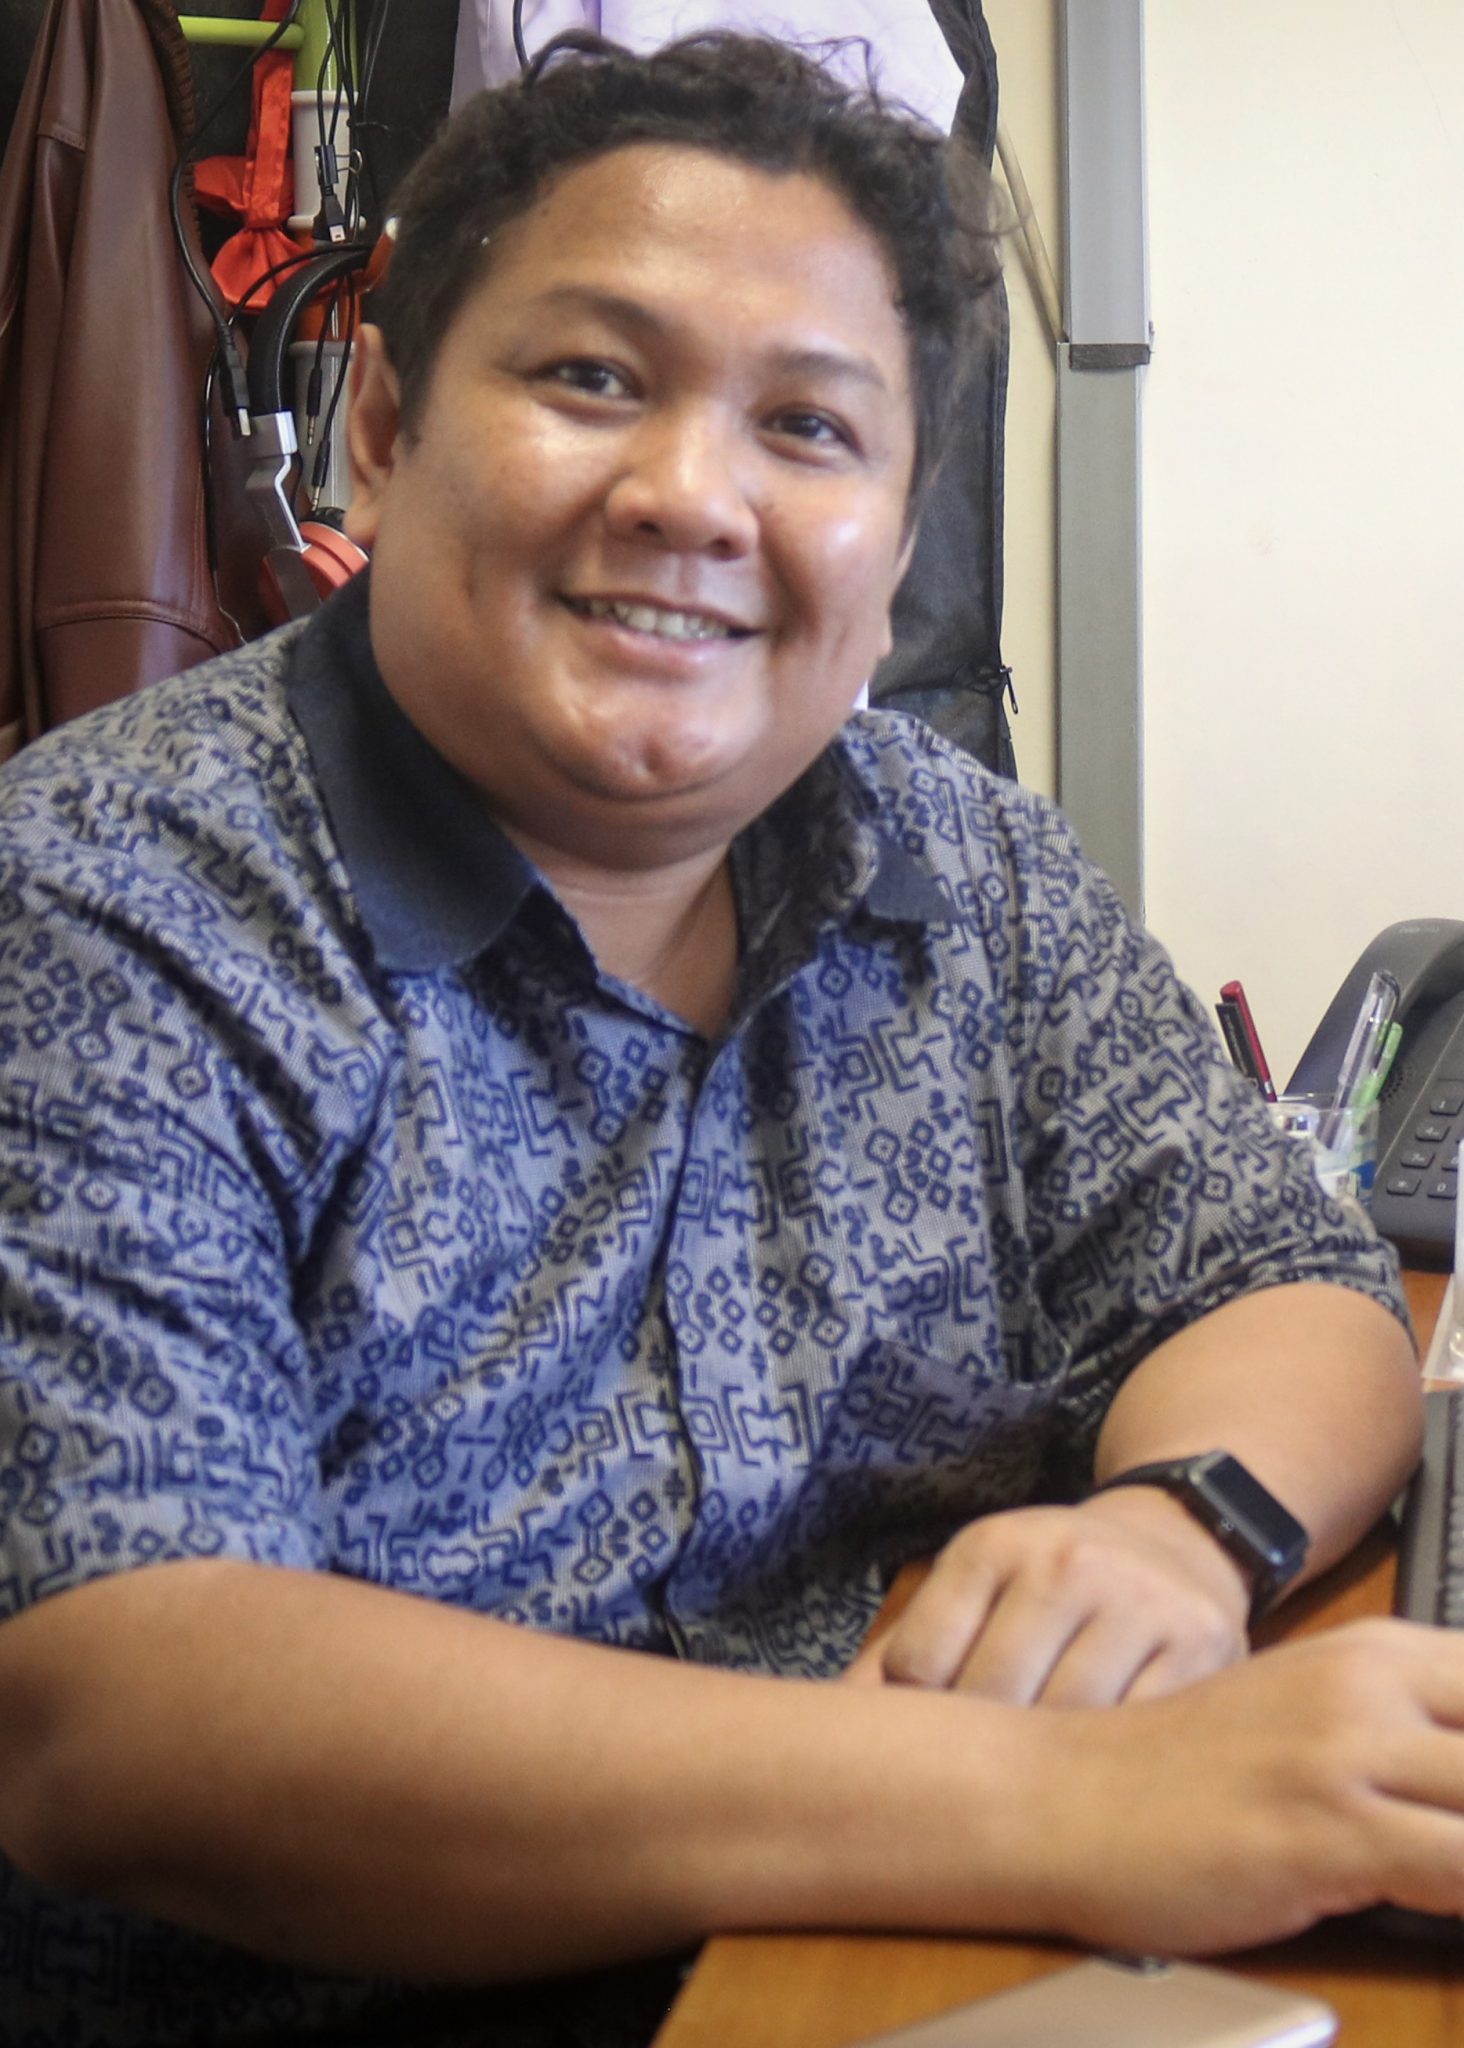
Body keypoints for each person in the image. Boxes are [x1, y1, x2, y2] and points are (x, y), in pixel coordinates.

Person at [0, 29, 1450, 2048]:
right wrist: (1061, 1804)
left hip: (898, 1954)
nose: (691, 495)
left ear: (897, 540)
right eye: (592, 378)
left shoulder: (964, 863)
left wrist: (1177, 1529)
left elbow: (1283, 1276)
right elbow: (122, 1700)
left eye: (809, 427)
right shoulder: (104, 902)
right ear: (385, 431)